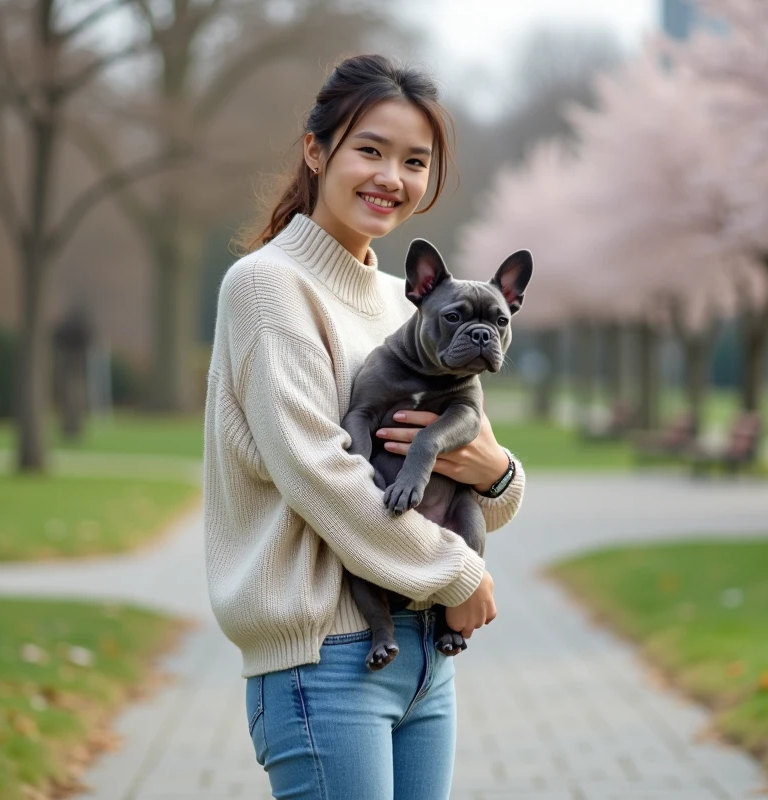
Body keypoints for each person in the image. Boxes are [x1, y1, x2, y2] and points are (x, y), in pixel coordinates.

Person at [203, 53, 525, 800]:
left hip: (427, 658)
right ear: (317, 151)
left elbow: (482, 474)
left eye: (415, 161)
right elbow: (322, 473)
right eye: (370, 150)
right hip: (326, 659)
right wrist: (458, 574)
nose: (393, 177)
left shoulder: (410, 302)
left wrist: (498, 474)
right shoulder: (267, 287)